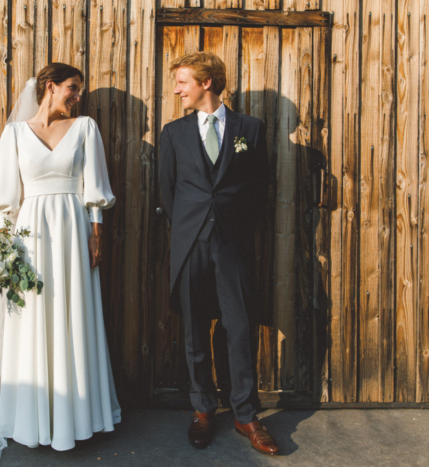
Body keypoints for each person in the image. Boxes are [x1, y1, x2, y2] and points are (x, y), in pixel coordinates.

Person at [0, 63, 121, 467]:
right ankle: (32, 419)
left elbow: (95, 188)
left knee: (74, 316)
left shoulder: (85, 127)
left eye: (79, 91)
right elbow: (5, 199)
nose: (78, 96)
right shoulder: (16, 133)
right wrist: (1, 250)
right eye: (72, 88)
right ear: (50, 87)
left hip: (72, 231)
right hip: (30, 235)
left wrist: (97, 233)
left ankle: (77, 417)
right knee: (33, 319)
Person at [158, 51, 279, 455]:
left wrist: (236, 229)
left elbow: (260, 187)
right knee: (194, 329)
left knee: (239, 327)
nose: (176, 89)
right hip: (190, 243)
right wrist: (189, 229)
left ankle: (245, 414)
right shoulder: (173, 133)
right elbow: (168, 190)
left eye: (182, 81)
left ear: (206, 83)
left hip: (233, 243)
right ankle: (203, 410)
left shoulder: (251, 129)